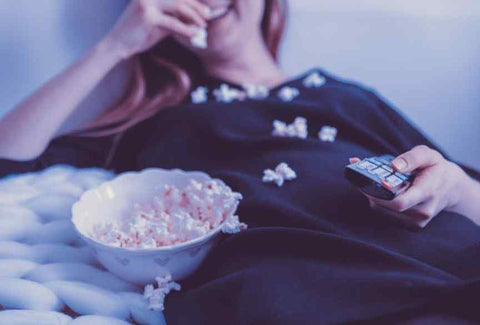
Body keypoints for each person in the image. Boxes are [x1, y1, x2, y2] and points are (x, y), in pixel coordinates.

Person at [0, 0, 479, 323]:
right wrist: (116, 45)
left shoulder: (346, 97)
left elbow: (467, 195)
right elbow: (10, 158)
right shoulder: (159, 118)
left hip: (439, 259)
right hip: (294, 286)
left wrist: (454, 187)